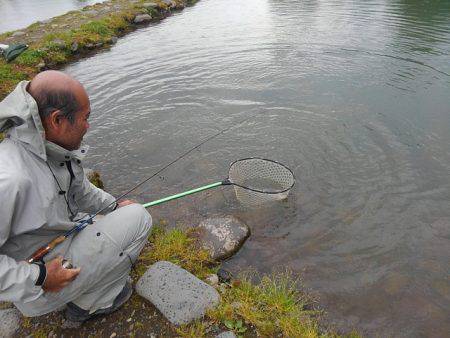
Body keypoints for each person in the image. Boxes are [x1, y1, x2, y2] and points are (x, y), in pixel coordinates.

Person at [0, 71, 152, 322]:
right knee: (139, 219)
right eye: (85, 118)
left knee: (119, 215)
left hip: (51, 244)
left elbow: (81, 190)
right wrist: (41, 277)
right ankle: (93, 302)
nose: (88, 126)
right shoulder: (10, 179)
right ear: (57, 119)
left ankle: (82, 288)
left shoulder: (50, 150)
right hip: (36, 285)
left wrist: (114, 206)